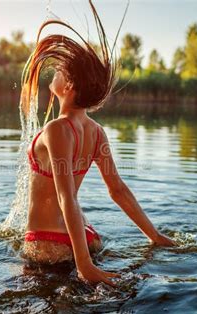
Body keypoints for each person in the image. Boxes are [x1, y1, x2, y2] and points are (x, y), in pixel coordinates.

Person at [19, 1, 177, 287]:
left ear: (69, 87)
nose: (53, 75)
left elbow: (67, 197)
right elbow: (117, 190)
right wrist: (154, 236)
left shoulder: (56, 129)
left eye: (59, 72)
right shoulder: (97, 132)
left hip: (48, 244)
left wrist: (84, 265)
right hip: (88, 237)